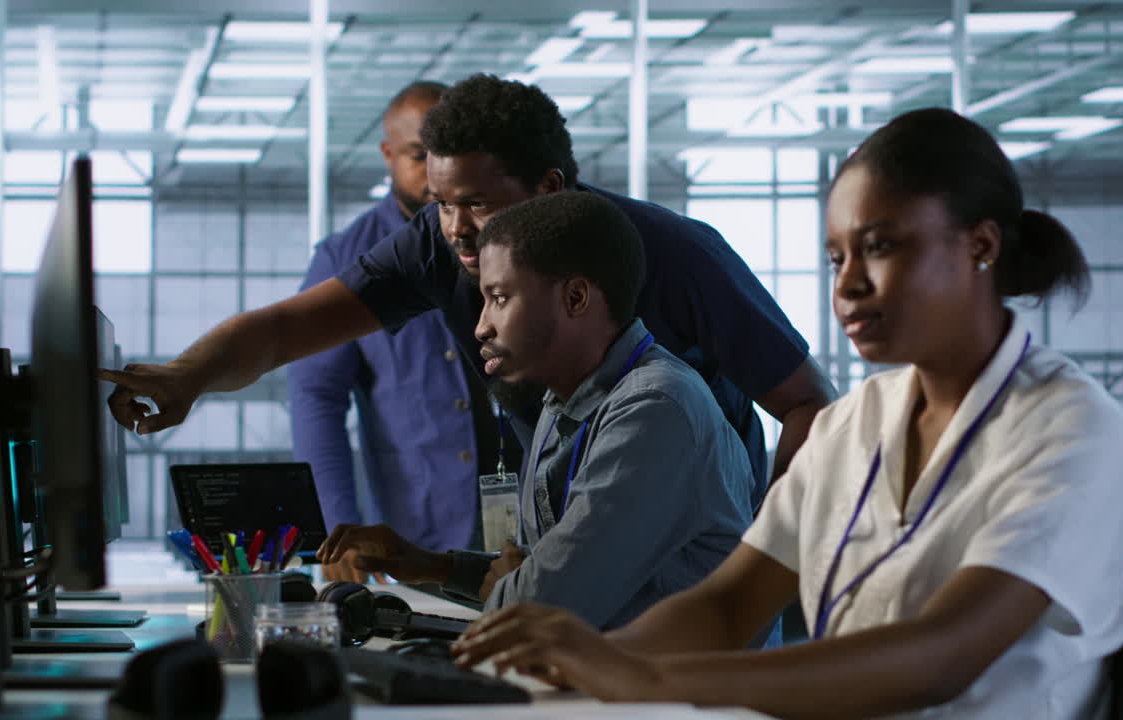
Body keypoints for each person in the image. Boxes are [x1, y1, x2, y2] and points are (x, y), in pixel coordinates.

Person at [451, 108, 1123, 719]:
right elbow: (726, 608)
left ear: (981, 246)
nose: (848, 285)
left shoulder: (1071, 428)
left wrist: (638, 675)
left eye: (880, 247)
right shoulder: (853, 424)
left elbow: (943, 658)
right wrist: (568, 667)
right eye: (836, 257)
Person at [99, 74, 834, 507]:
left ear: (549, 189)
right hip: (562, 523)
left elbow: (807, 402)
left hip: (695, 534)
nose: (455, 229)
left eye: (478, 203)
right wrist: (189, 375)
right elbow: (284, 332)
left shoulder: (675, 254)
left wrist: (764, 549)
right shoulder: (438, 243)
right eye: (440, 202)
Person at [316, 191, 758, 633]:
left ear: (576, 298)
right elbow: (540, 572)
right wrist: (428, 565)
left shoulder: (653, 410)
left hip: (679, 696)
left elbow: (539, 610)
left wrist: (520, 582)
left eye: (500, 298)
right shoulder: (563, 400)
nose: (481, 326)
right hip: (606, 681)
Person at [287, 81, 520, 583]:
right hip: (417, 527)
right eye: (419, 155)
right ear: (388, 154)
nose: (436, 172)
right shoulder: (344, 257)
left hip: (530, 514)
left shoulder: (511, 237)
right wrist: (338, 527)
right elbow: (316, 398)